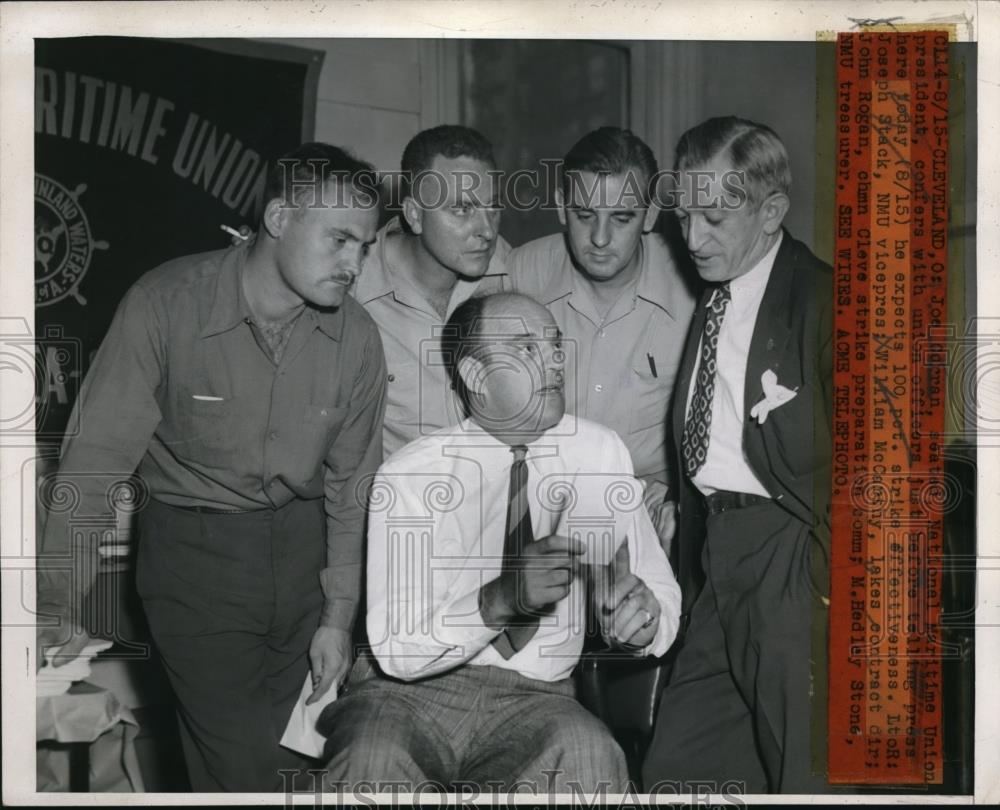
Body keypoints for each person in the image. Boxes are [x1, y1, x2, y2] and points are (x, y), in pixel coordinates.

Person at [36, 143, 388, 791]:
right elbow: (94, 464)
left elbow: (352, 489)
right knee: (242, 773)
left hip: (305, 563)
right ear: (279, 219)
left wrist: (338, 619)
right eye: (339, 240)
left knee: (295, 766)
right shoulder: (165, 304)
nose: (354, 264)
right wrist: (56, 599)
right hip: (196, 563)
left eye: (364, 247)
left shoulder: (358, 339)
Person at [320, 292, 681, 797]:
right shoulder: (412, 473)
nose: (554, 361)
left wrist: (641, 622)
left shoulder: (598, 453)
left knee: (589, 756)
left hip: (540, 699)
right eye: (526, 348)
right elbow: (397, 649)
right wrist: (502, 599)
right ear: (475, 374)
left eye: (554, 345)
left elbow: (658, 594)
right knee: (372, 760)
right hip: (407, 695)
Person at [641, 117, 833, 793]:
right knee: (676, 772)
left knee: (804, 777)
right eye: (684, 216)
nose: (694, 238)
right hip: (715, 564)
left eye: (715, 219)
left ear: (771, 211)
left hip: (793, 560)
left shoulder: (827, 300)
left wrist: (823, 583)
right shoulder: (718, 295)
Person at [508, 127, 696, 547]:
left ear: (650, 216)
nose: (599, 238)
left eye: (622, 218)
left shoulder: (695, 289)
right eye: (584, 215)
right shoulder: (518, 274)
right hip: (538, 515)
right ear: (562, 207)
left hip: (650, 517)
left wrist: (680, 493)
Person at [353, 124, 511, 459]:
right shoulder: (351, 288)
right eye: (462, 209)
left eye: (493, 208)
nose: (487, 231)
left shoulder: (509, 272)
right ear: (415, 214)